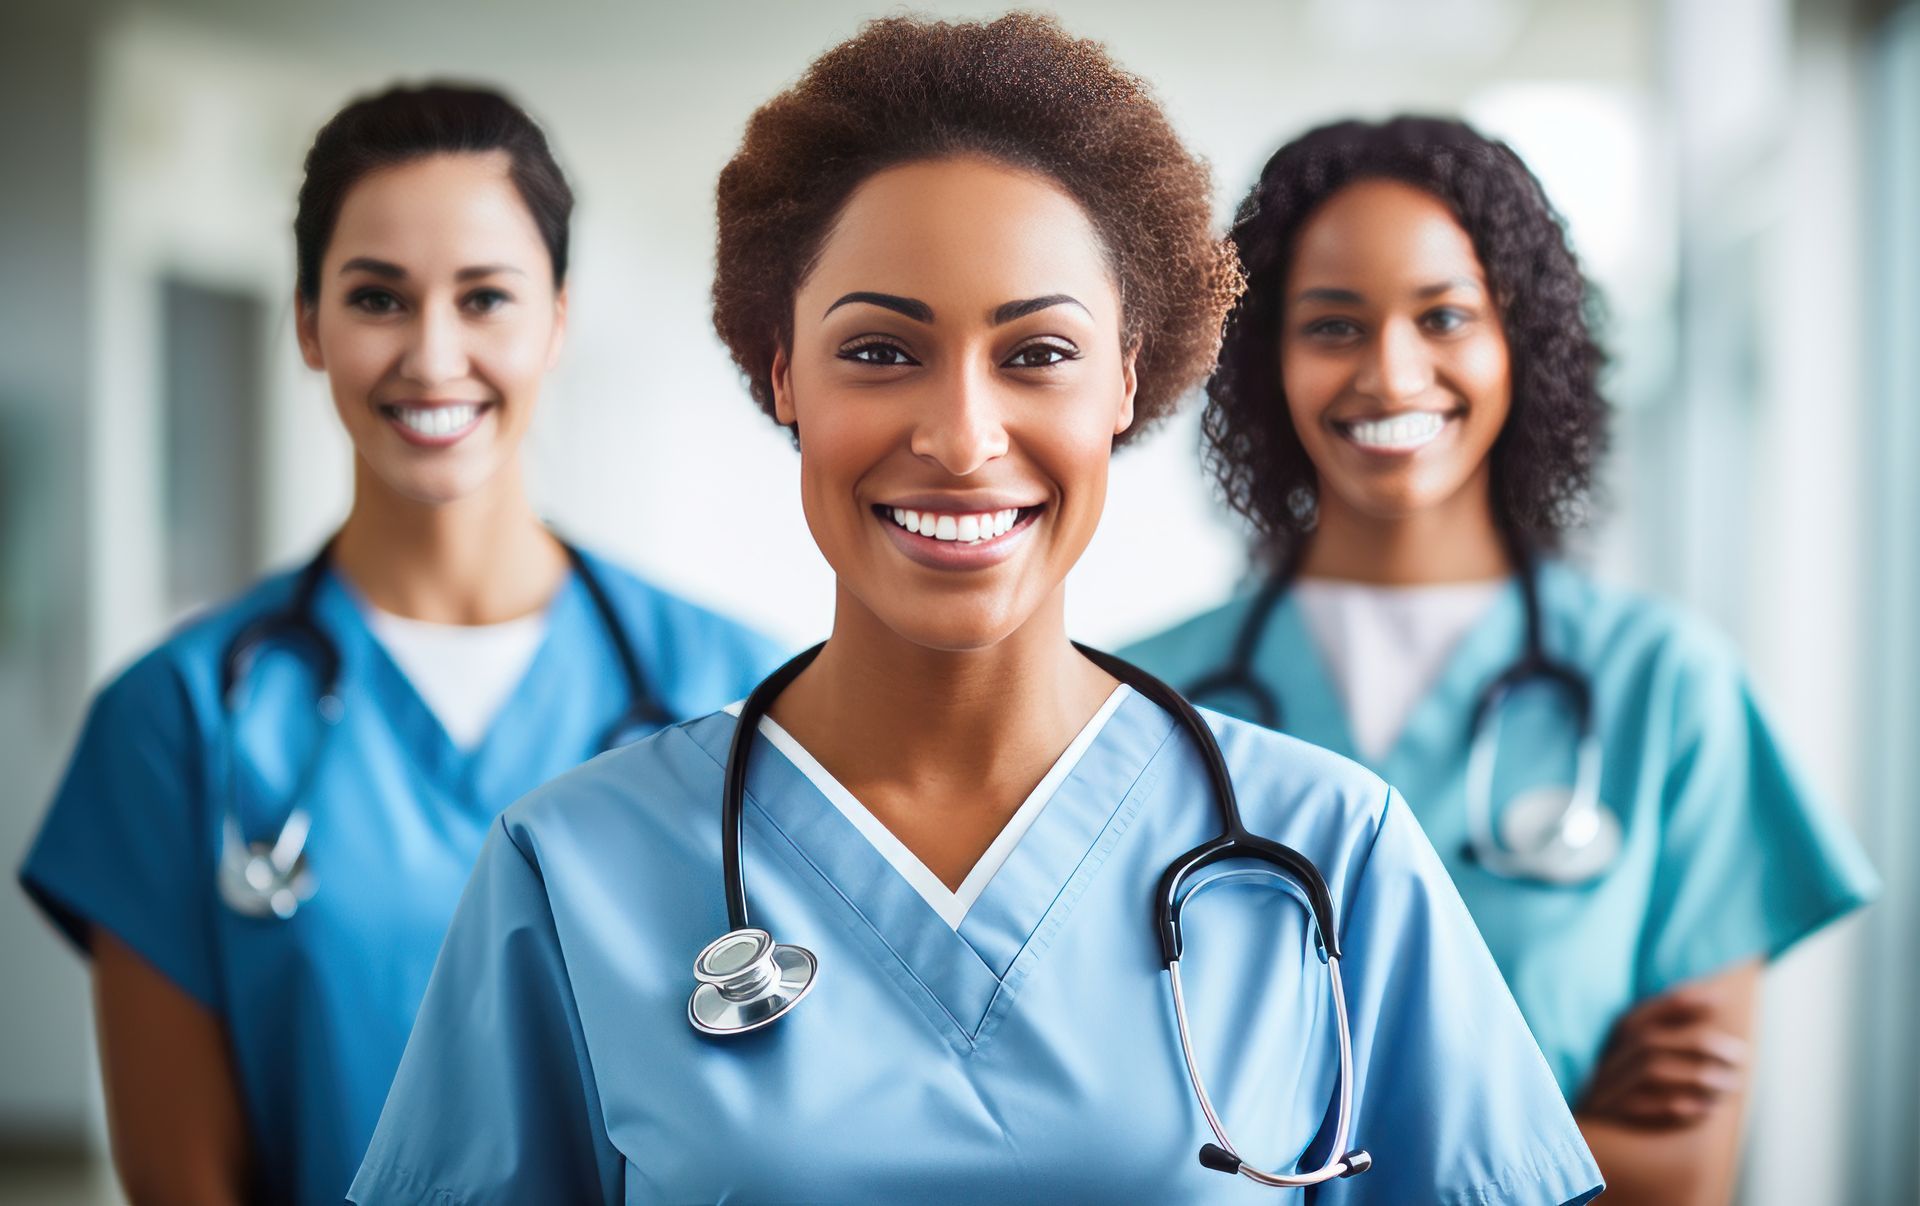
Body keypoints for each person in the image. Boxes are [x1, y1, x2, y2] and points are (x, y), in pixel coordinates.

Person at [350, 22, 1601, 1204]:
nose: (959, 437)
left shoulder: (1333, 854)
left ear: (1128, 373)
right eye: (881, 352)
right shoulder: (575, 871)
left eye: (1038, 353)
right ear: (782, 371)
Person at [18, 82, 783, 1206]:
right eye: (379, 297)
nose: (432, 356)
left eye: (485, 299)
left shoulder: (737, 693)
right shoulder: (179, 718)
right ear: (308, 324)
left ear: (557, 322)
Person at [1123, 116, 1878, 1202]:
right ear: (1264, 359)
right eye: (1333, 325)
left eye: (1444, 316)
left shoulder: (1663, 685)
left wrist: (1279, 1155)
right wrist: (1538, 1137)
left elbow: (1682, 1175)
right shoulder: (1144, 700)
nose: (1391, 372)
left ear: (1522, 342)